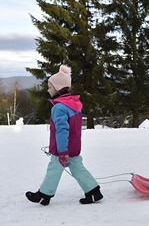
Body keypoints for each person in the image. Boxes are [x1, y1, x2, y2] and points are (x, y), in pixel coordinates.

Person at [26, 65, 103, 205]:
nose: (48, 89)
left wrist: (62, 152)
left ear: (57, 88)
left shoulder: (59, 108)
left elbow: (62, 131)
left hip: (63, 149)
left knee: (54, 169)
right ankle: (93, 192)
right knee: (77, 168)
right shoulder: (74, 104)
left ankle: (44, 195)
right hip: (74, 146)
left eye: (50, 87)